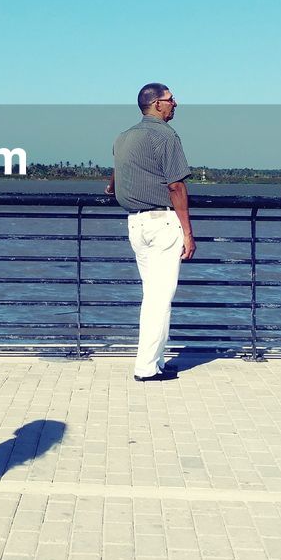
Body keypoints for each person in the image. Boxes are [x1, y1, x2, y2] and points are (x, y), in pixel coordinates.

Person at [106, 83, 196, 382]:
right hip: (162, 224)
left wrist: (115, 187)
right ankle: (146, 368)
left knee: (152, 295)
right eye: (171, 100)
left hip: (136, 224)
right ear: (157, 104)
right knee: (159, 298)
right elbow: (176, 186)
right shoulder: (165, 136)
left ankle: (154, 361)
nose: (176, 104)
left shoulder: (123, 137)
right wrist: (188, 232)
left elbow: (116, 179)